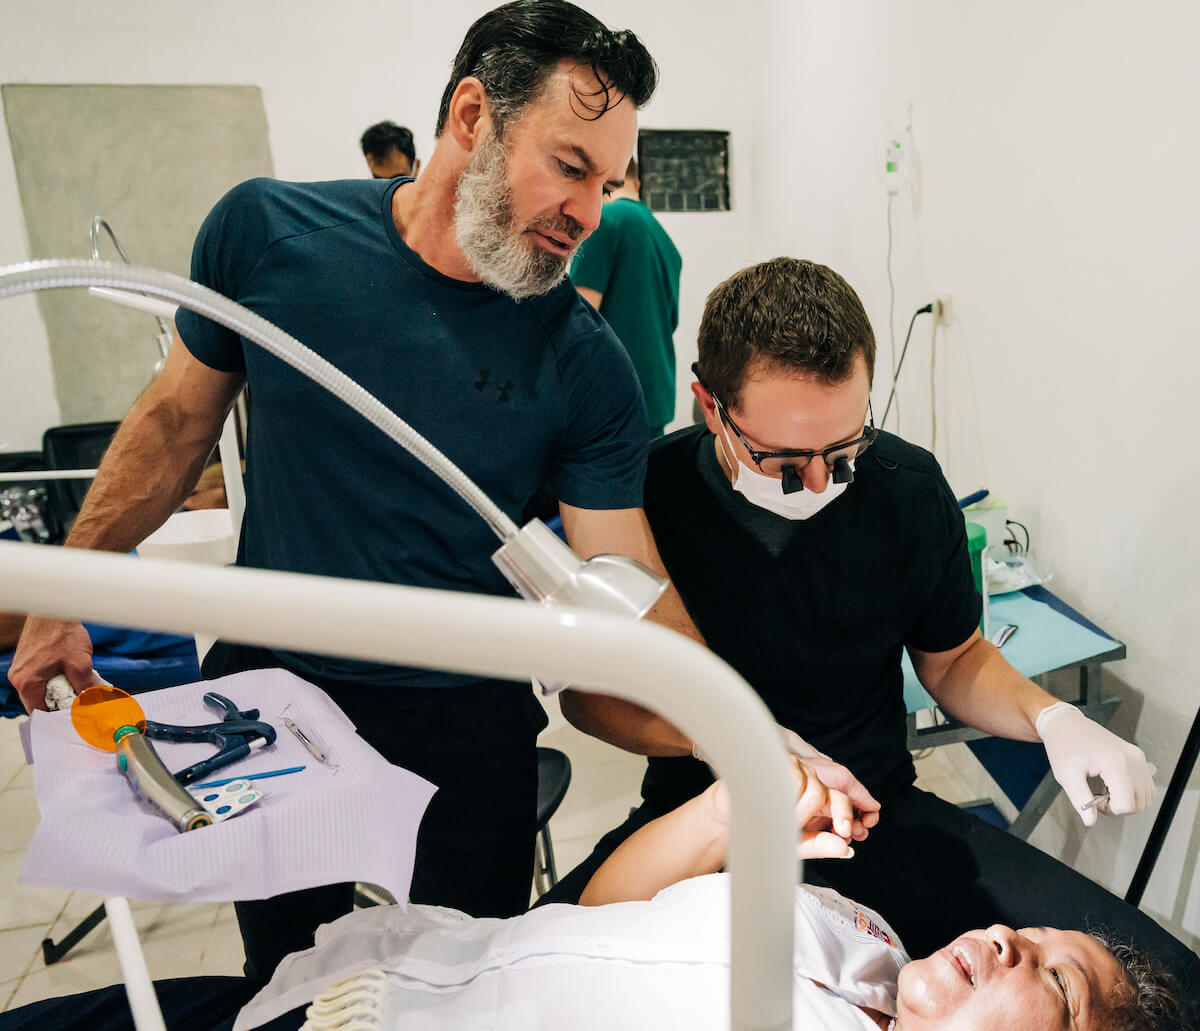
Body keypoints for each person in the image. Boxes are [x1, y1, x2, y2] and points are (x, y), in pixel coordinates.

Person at [7, 0, 709, 981]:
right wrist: (61, 591)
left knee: (462, 989)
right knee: (285, 983)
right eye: (570, 166)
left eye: (607, 182)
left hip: (464, 731)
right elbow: (172, 428)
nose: (591, 213)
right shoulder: (271, 236)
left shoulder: (582, 361)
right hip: (274, 707)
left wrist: (736, 719)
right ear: (474, 116)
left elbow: (618, 568)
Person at [554, 256, 1159, 960]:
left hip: (873, 813)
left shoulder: (907, 489)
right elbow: (590, 701)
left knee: (1149, 968)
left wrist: (1051, 718)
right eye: (785, 461)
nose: (820, 482)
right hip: (697, 819)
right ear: (711, 406)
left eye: (844, 450)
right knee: (532, 965)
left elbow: (954, 659)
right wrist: (726, 738)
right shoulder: (643, 498)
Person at [0, 762, 1190, 1031]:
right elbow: (602, 906)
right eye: (1031, 930)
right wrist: (723, 812)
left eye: (1057, 981)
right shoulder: (862, 931)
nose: (1006, 933)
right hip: (347, 982)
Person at [571, 155, 681, 437]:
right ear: (639, 184)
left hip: (611, 398)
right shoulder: (663, 238)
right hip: (655, 392)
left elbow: (578, 321)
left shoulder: (606, 222)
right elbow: (670, 320)